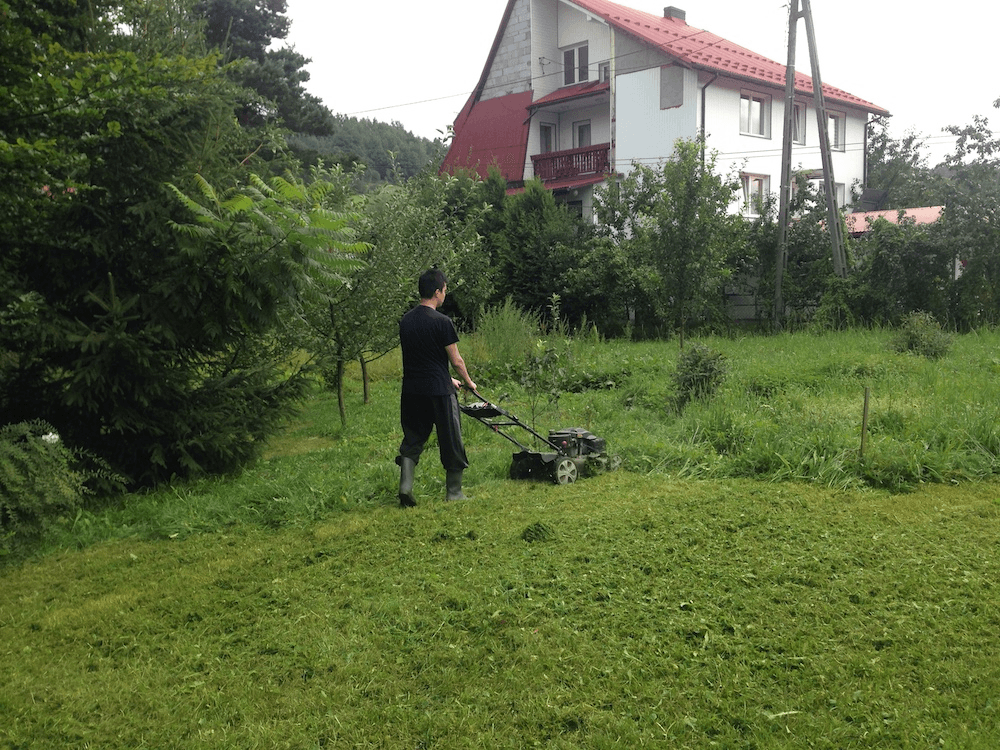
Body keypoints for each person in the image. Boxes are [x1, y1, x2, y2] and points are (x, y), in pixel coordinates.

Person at [395, 269, 477, 507]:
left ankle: (405, 488)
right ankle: (454, 492)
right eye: (444, 290)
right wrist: (469, 382)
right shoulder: (443, 322)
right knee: (451, 438)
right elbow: (456, 361)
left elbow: (421, 358)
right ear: (437, 291)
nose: (445, 294)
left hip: (412, 389)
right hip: (439, 393)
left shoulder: (406, 321)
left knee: (413, 437)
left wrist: (447, 377)